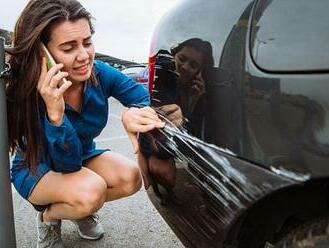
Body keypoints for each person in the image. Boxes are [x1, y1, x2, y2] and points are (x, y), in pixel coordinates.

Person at [6, 0, 164, 247]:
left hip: (81, 156)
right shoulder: (23, 91)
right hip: (37, 167)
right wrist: (55, 115)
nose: (84, 56)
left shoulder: (100, 73)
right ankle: (49, 217)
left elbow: (147, 99)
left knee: (131, 177)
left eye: (87, 42)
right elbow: (65, 163)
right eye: (69, 48)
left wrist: (135, 112)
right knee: (90, 193)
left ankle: (75, 208)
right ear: (42, 54)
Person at [138, 38, 213, 205]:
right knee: (167, 174)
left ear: (199, 73)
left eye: (193, 65)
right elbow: (162, 145)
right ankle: (162, 187)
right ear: (174, 55)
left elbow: (195, 134)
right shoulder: (162, 80)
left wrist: (196, 100)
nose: (185, 67)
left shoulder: (195, 90)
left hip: (174, 142)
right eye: (182, 58)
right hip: (155, 146)